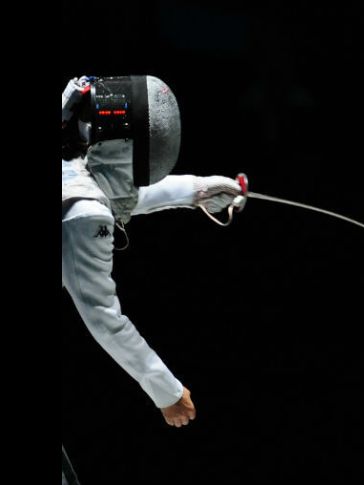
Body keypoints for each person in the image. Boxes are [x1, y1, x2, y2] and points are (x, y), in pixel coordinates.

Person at [62, 75, 244, 427]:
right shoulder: (83, 214)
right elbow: (102, 316)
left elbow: (105, 189)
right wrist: (167, 392)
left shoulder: (71, 151)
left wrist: (197, 190)